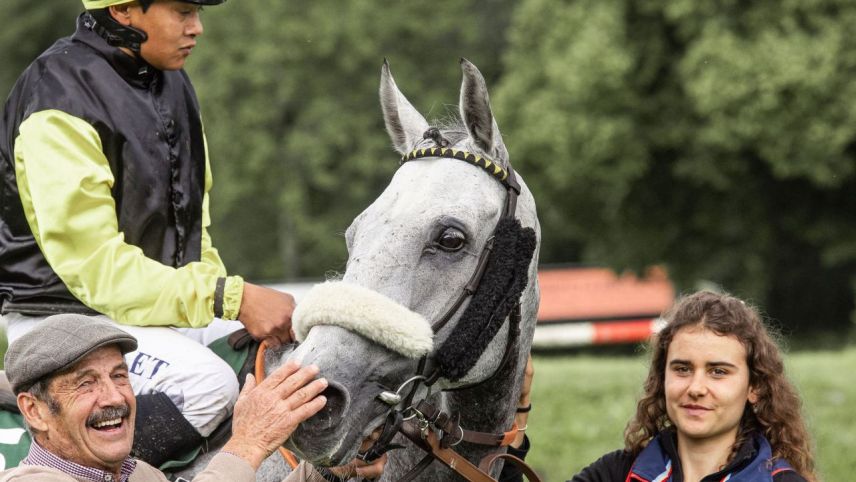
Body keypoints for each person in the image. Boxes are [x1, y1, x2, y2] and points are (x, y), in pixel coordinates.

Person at [0, 0, 299, 465]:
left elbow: (193, 235)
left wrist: (228, 302)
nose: (196, 28)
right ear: (122, 11)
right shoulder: (56, 95)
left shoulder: (172, 82)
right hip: (63, 319)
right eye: (182, 12)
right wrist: (232, 298)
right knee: (207, 385)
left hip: (149, 310)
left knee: (290, 352)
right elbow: (100, 274)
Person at [0, 314, 385, 481]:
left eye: (120, 375)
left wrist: (327, 472)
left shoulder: (138, 474)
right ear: (34, 410)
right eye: (85, 383)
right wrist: (248, 443)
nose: (114, 396)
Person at [568, 291, 817, 482]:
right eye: (682, 369)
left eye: (718, 372)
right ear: (662, 377)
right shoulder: (617, 473)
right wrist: (525, 406)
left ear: (755, 387)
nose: (696, 388)